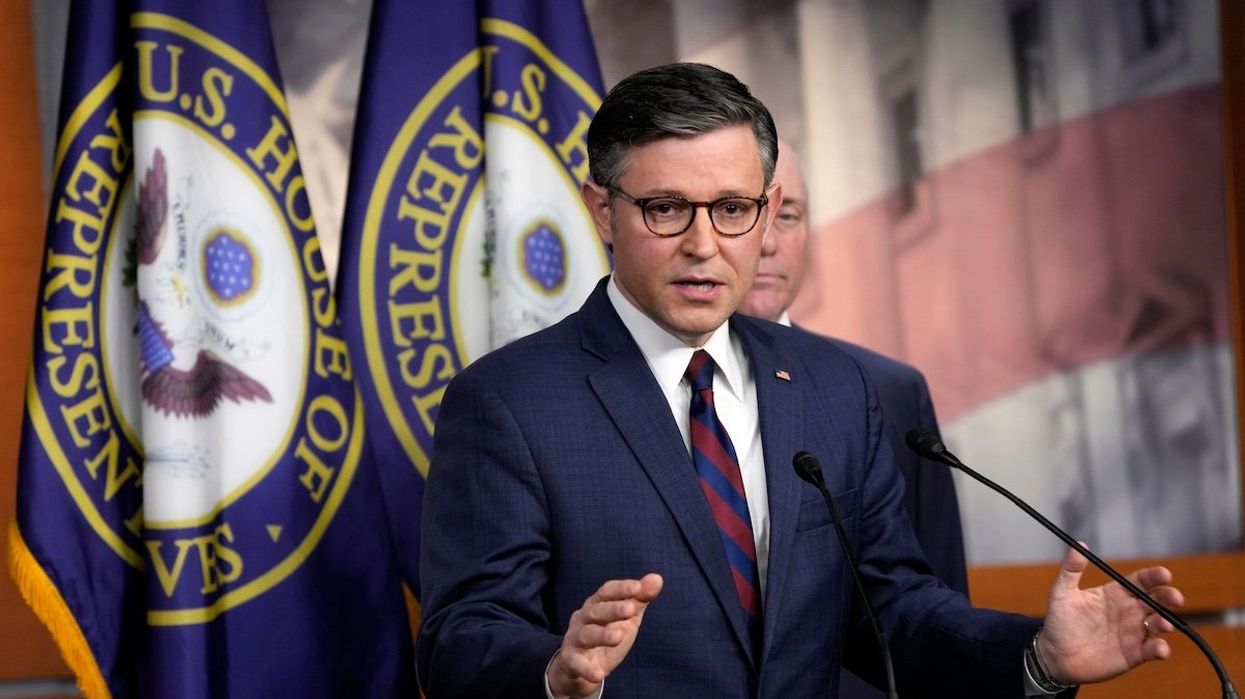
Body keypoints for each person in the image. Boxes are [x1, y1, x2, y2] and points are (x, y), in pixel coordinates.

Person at [416, 63, 1182, 698]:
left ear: (768, 207)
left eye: (733, 209)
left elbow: (893, 609)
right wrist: (551, 671)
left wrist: (1038, 656)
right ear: (602, 212)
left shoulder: (832, 387)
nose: (703, 245)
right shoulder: (508, 401)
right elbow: (459, 637)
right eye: (665, 209)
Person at [741, 141, 971, 698]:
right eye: (741, 212)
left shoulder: (887, 391)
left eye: (786, 215)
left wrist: (1038, 656)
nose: (768, 242)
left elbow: (931, 604)